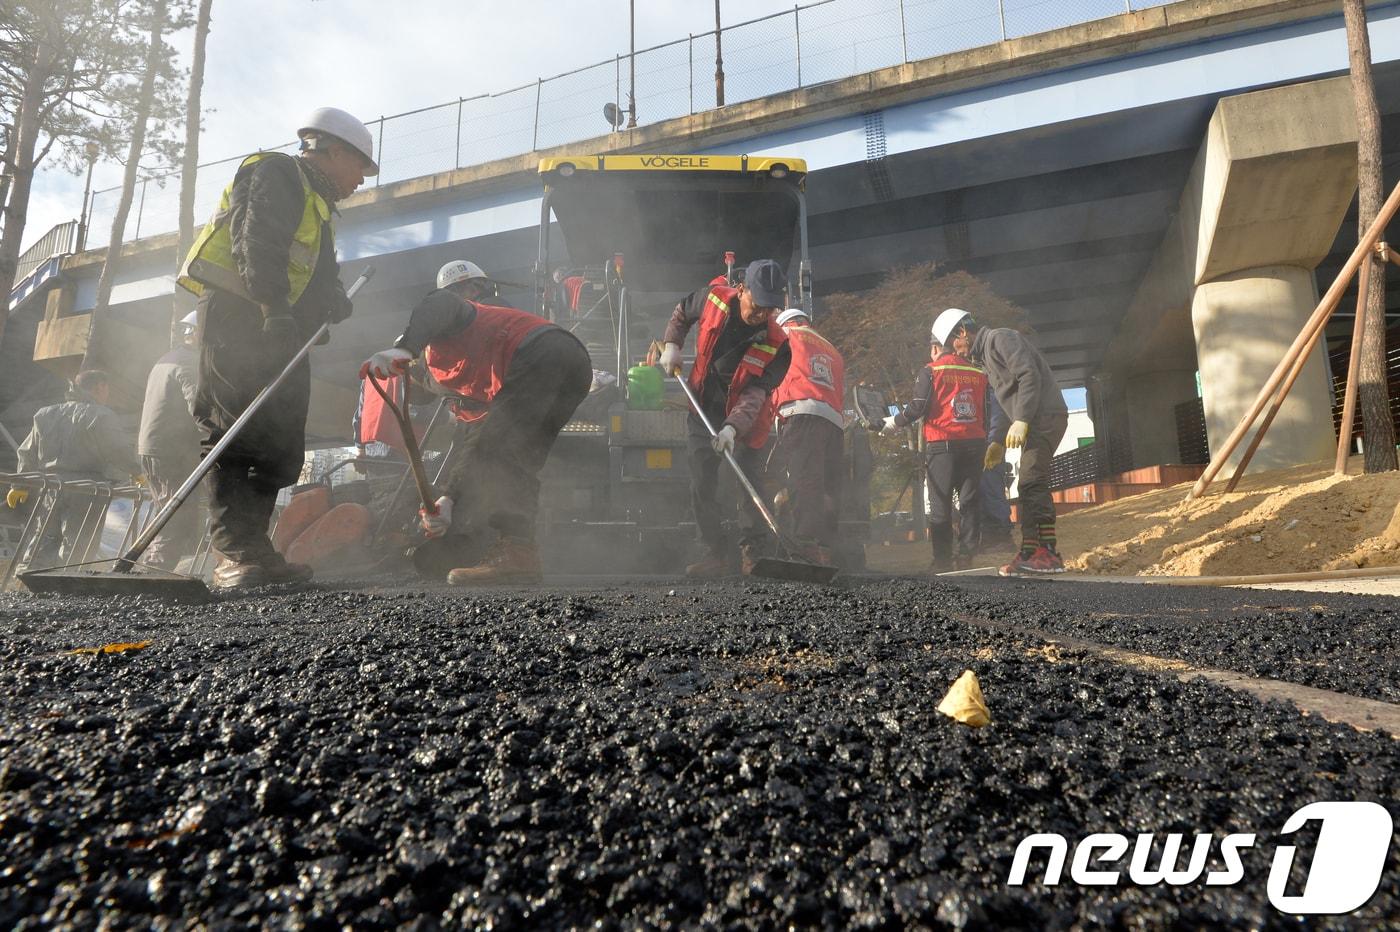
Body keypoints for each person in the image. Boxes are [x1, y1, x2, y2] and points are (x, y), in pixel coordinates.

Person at [176, 106, 373, 589]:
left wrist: (331, 302)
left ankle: (257, 549)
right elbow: (257, 240)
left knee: (278, 440)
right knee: (233, 429)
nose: (361, 181)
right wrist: (275, 309)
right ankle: (233, 552)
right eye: (359, 168)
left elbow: (318, 272)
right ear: (334, 151)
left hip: (278, 326)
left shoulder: (320, 206)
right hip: (240, 318)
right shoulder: (278, 172)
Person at [360, 258, 592, 585]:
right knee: (516, 460)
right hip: (573, 365)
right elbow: (474, 442)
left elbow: (440, 302)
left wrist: (404, 348)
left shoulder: (454, 324)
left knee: (498, 453)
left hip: (538, 353)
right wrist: (449, 498)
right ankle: (518, 552)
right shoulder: (460, 386)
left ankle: (512, 550)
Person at [658, 259, 792, 577]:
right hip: (702, 406)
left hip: (747, 421)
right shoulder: (713, 298)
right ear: (742, 288)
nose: (760, 316)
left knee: (749, 484)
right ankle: (714, 553)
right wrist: (672, 345)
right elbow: (682, 312)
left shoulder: (779, 345)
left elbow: (756, 394)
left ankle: (754, 555)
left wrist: (732, 428)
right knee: (701, 481)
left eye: (768, 310)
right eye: (757, 306)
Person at [930, 308, 1069, 574]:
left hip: (1046, 416)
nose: (954, 352)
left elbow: (1029, 375)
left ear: (962, 332)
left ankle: (1048, 553)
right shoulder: (985, 361)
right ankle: (1030, 551)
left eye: (953, 345)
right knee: (1027, 483)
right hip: (1036, 418)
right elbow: (1006, 403)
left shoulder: (1000, 338)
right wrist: (996, 441)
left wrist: (1023, 419)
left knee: (1032, 481)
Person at [882, 321, 1002, 572]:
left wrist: (892, 423)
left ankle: (943, 559)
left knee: (940, 503)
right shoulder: (978, 372)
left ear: (936, 347)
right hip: (974, 444)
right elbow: (987, 412)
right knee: (970, 501)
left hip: (942, 444)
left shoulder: (930, 371)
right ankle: (967, 555)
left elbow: (918, 407)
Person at [10, 370, 139, 566]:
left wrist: (20, 485)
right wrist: (137, 471)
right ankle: (67, 587)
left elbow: (27, 451)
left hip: (50, 486)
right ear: (100, 387)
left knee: (44, 536)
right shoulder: (101, 415)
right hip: (87, 489)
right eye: (107, 390)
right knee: (78, 542)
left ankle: (29, 582)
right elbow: (118, 449)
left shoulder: (45, 414)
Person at [770, 307, 845, 567]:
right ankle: (826, 549)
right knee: (825, 488)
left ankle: (805, 547)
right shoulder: (830, 348)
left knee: (804, 483)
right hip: (834, 422)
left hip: (800, 413)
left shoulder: (783, 336)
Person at [136, 312, 202, 569]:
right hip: (172, 451)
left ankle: (154, 568)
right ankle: (155, 573)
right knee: (176, 515)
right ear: (197, 334)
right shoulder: (188, 363)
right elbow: (198, 406)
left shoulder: (166, 360)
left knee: (168, 510)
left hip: (154, 448)